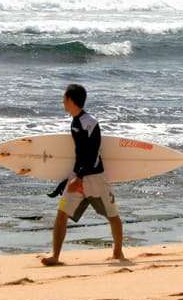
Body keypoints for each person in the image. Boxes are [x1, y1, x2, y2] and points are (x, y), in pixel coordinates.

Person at [41, 84, 125, 266]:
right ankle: (55, 256)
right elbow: (80, 155)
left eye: (64, 98)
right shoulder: (75, 122)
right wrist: (71, 177)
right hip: (77, 177)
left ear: (71, 100)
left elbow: (92, 153)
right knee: (61, 213)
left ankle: (118, 253)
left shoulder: (90, 123)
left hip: (95, 177)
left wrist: (78, 177)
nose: (62, 102)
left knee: (112, 215)